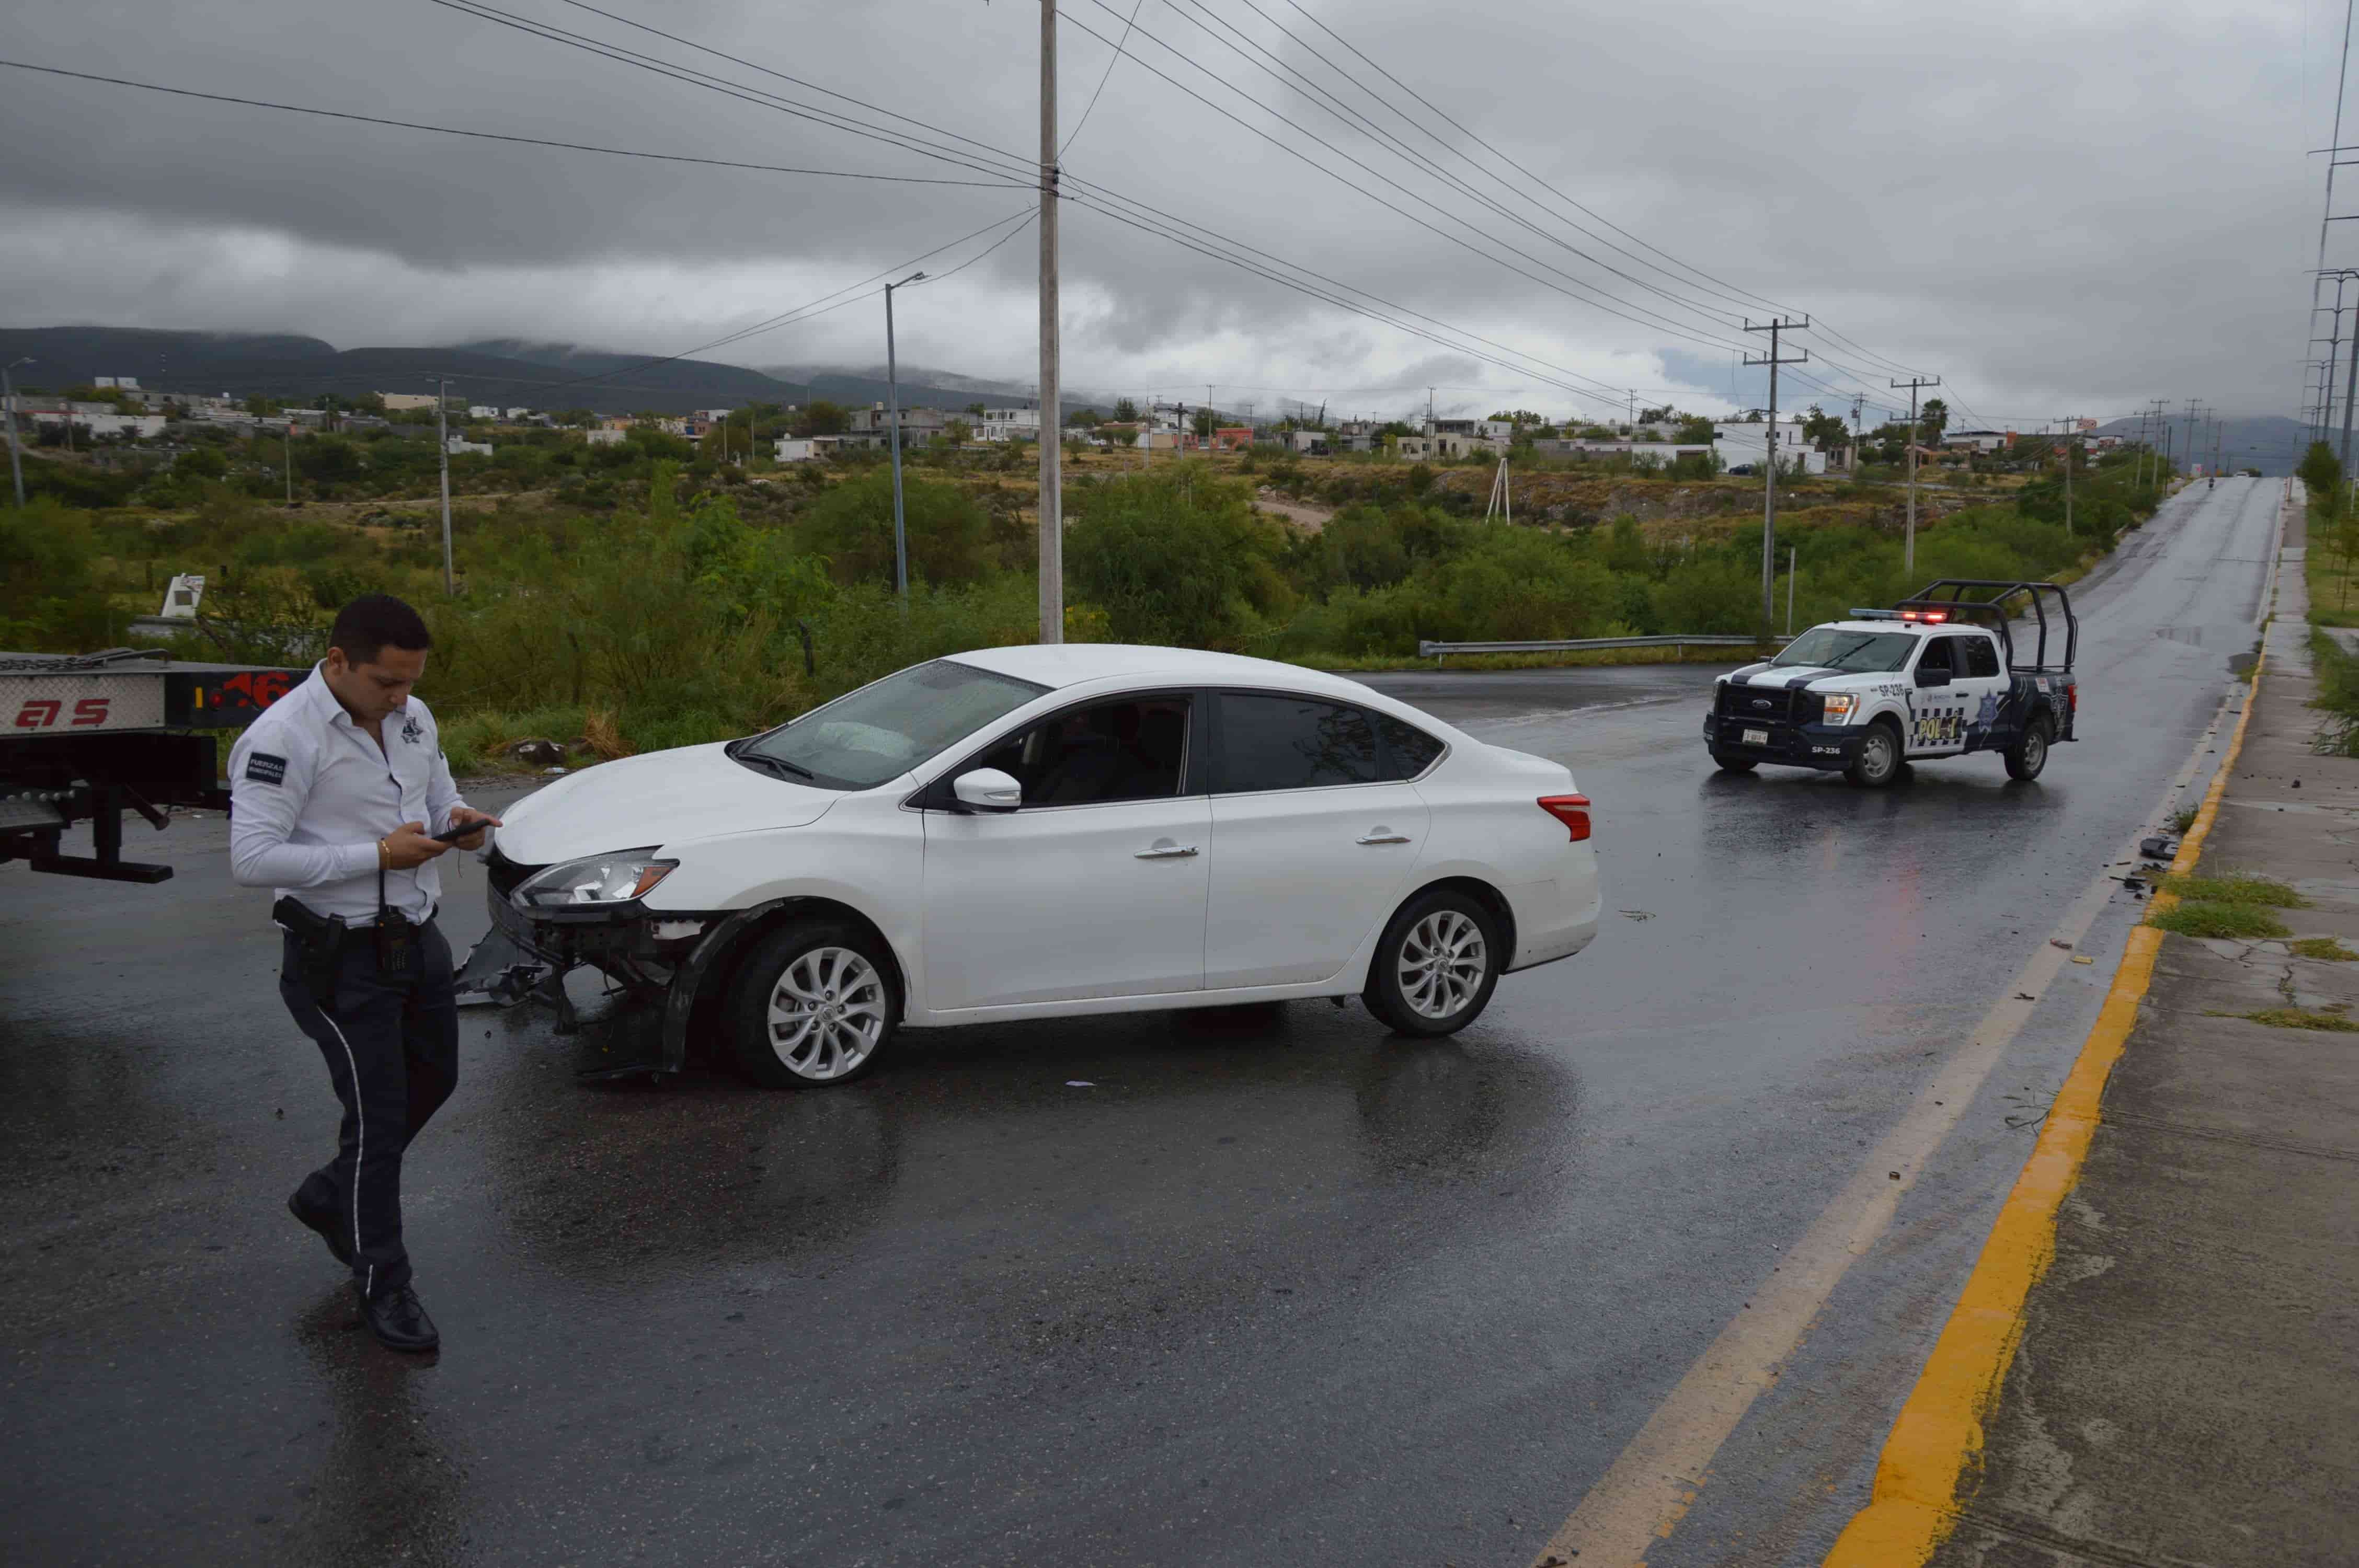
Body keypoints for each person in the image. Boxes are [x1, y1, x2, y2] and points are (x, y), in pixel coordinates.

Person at [227, 594, 500, 1352]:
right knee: (378, 1120)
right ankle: (383, 1279)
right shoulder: (281, 738)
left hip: (416, 936)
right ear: (338, 661)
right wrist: (374, 856)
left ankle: (329, 1195)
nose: (401, 697)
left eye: (412, 681)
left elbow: (437, 797)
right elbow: (252, 859)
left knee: (434, 1080)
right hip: (339, 957)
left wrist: (462, 825)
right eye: (386, 681)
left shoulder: (415, 716)